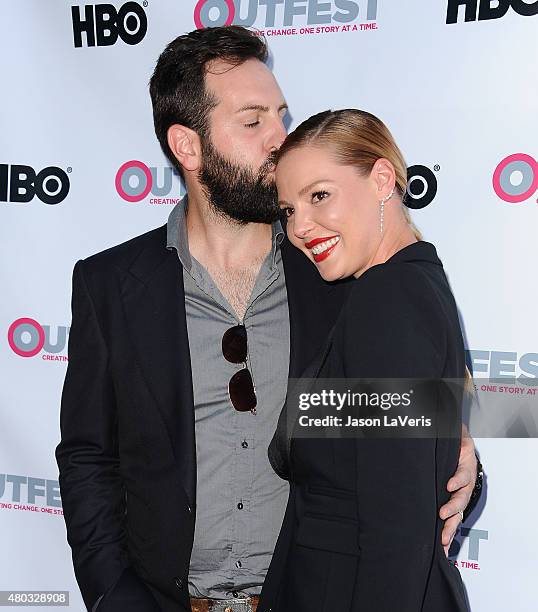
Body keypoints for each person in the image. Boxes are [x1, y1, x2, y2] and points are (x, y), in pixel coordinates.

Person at [56, 27, 480, 612]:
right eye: (253, 122)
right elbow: (87, 456)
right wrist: (112, 595)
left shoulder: (344, 276)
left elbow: (400, 436)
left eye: (281, 115)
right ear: (188, 145)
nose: (280, 140)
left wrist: (458, 456)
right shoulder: (109, 286)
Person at [259, 109, 471, 611]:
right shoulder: (413, 283)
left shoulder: (387, 298)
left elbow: (397, 528)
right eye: (288, 209)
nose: (300, 226)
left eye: (319, 195)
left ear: (381, 179)